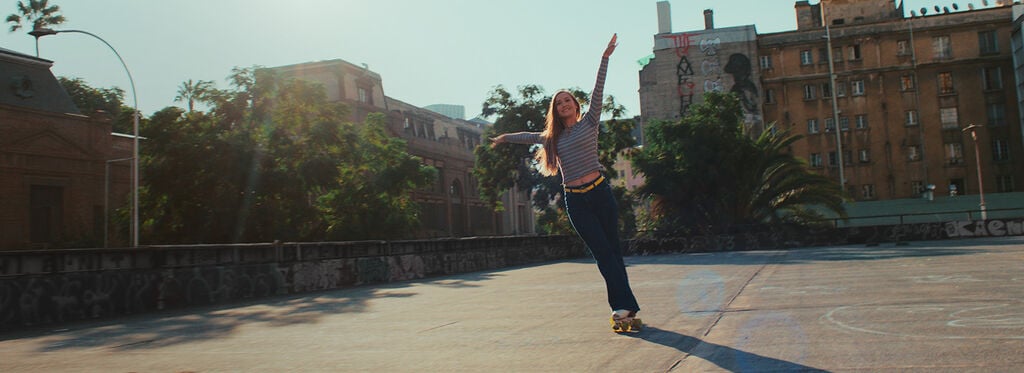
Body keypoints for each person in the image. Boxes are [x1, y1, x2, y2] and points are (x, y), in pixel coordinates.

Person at [491, 34, 641, 332]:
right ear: (555, 110)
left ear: (576, 104)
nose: (563, 105)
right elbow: (527, 136)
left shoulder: (590, 121)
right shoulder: (552, 138)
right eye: (558, 103)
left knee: (613, 251)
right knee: (602, 254)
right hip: (576, 200)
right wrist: (505, 137)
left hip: (600, 193)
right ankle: (623, 307)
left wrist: (605, 57)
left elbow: (598, 89)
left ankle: (626, 308)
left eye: (567, 100)